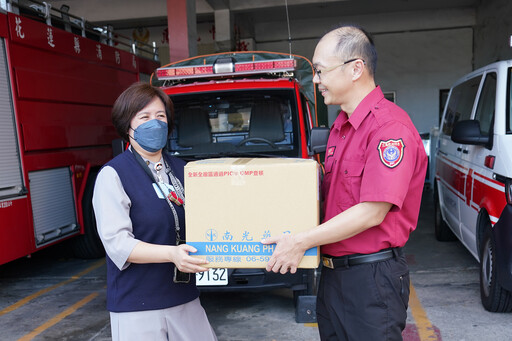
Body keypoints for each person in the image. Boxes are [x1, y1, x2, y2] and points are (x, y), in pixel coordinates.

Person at [263, 25, 428, 340]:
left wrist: (300, 241)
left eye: (321, 70)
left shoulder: (388, 128)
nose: (316, 80)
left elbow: (372, 211)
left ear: (356, 69)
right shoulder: (340, 127)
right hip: (333, 276)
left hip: (371, 281)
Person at [92, 82, 217, 341]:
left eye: (160, 116)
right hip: (137, 304)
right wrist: (171, 254)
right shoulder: (113, 175)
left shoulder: (184, 170)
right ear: (128, 125)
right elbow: (118, 244)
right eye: (145, 117)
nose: (155, 123)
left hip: (184, 298)